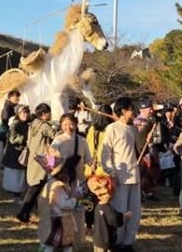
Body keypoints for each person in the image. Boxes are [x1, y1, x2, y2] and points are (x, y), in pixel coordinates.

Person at [100, 97, 141, 249]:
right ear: (124, 110)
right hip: (119, 178)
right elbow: (105, 154)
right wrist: (111, 172)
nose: (134, 112)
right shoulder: (112, 128)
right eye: (132, 108)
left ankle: (128, 242)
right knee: (120, 212)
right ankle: (117, 242)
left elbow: (138, 151)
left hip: (135, 176)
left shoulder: (134, 129)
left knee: (134, 213)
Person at [51, 113, 93, 245]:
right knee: (63, 210)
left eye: (70, 124)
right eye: (64, 124)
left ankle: (78, 239)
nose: (68, 127)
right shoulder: (58, 140)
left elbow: (88, 159)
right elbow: (51, 162)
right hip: (62, 182)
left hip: (79, 181)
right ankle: (64, 238)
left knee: (79, 211)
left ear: (75, 124)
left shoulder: (82, 141)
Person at [16, 103, 58, 223]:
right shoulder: (44, 126)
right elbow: (56, 136)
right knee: (34, 189)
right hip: (41, 160)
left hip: (34, 159)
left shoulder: (34, 124)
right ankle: (22, 214)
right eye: (49, 112)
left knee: (33, 187)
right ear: (44, 114)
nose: (51, 114)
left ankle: (25, 213)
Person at [38, 153, 82, 252]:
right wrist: (75, 198)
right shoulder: (58, 187)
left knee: (51, 243)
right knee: (63, 244)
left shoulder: (50, 183)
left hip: (52, 218)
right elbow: (64, 204)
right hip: (60, 220)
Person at [87, 174, 132, 252]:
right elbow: (115, 221)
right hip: (106, 240)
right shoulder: (108, 208)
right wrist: (124, 216)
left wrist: (88, 226)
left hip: (97, 240)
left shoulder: (98, 205)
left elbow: (90, 217)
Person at [2, 104, 31, 197]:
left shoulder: (26, 123)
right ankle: (15, 194)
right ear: (18, 114)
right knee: (14, 174)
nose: (26, 114)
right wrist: (25, 139)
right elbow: (12, 138)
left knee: (18, 175)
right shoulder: (16, 124)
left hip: (20, 153)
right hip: (14, 153)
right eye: (23, 112)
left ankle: (17, 192)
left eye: (27, 112)